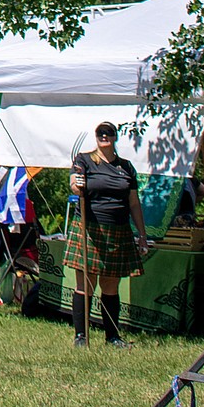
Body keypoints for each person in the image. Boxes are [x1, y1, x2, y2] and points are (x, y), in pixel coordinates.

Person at [67, 122, 150, 348]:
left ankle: (112, 336)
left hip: (118, 229)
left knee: (110, 286)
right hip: (89, 228)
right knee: (85, 284)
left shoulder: (126, 167)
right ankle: (81, 337)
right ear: (96, 137)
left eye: (109, 133)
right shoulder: (84, 160)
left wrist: (142, 235)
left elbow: (133, 202)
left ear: (115, 137)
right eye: (100, 134)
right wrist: (78, 186)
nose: (104, 137)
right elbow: (75, 184)